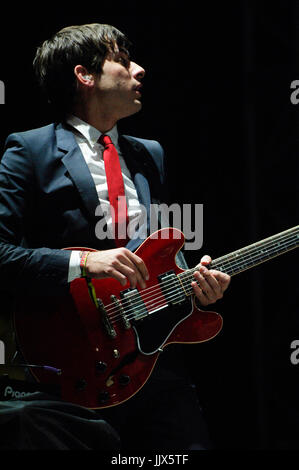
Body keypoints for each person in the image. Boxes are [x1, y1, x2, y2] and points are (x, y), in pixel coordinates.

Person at [0, 23, 230, 450]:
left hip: (152, 359)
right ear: (85, 75)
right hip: (71, 361)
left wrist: (196, 286)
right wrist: (84, 262)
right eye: (123, 61)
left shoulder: (150, 153)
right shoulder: (29, 151)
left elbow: (161, 253)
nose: (139, 70)